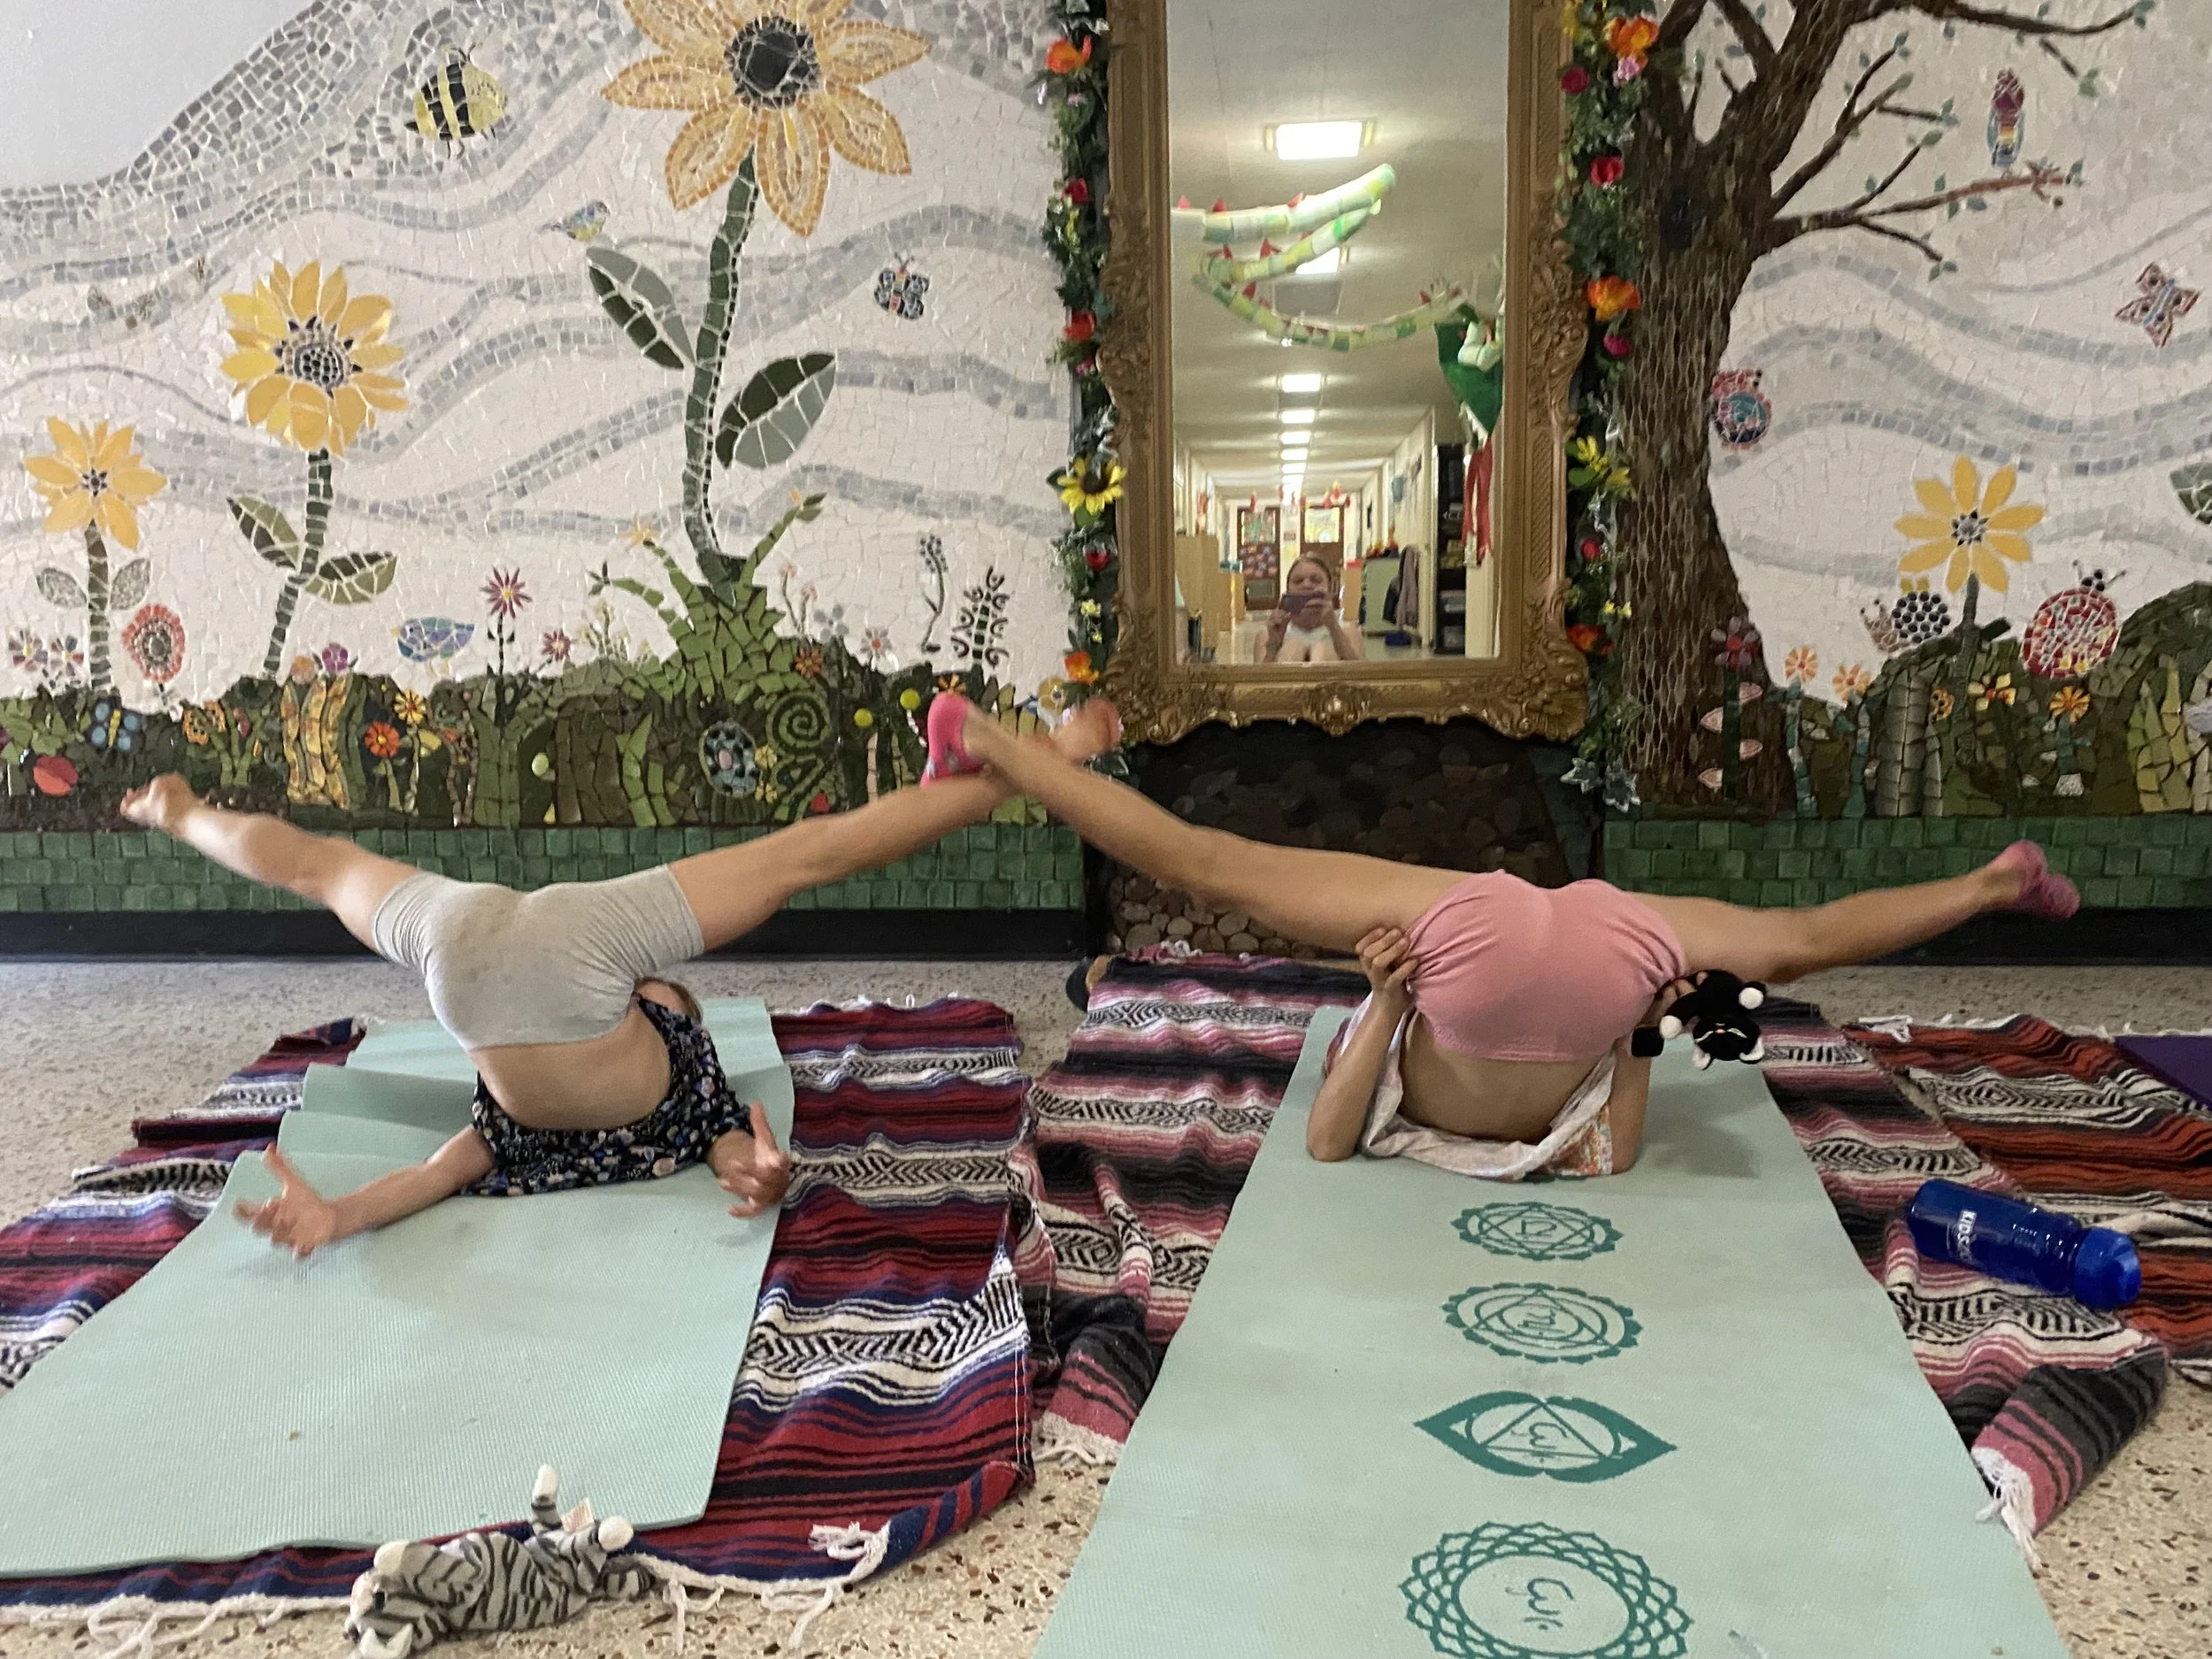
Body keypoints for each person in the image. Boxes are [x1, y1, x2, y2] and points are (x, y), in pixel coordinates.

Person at [920, 694, 2079, 1179]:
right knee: (1795, 942)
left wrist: (1646, 1021)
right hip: (1554, 960)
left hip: (1509, 964)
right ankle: (1991, 878)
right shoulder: (1439, 1125)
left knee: (1202, 861)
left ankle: (998, 740)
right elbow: (1340, 1133)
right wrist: (1644, 1019)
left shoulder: (1524, 1139)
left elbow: (1335, 1138)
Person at [119, 699, 1119, 1256]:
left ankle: (183, 812)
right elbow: (738, 1156)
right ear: (666, 1015)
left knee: (317, 864)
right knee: (806, 858)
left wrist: (336, 1216)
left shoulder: (510, 1134)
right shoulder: (690, 1096)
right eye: (670, 999)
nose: (670, 999)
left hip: (481, 941)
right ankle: (1045, 761)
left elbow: (425, 1180)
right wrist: (766, 1176)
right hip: (521, 955)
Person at [1261, 556, 1362, 664]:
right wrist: (1274, 644)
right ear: (1288, 590)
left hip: (1333, 680)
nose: (1307, 585)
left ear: (1329, 587)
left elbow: (1362, 675)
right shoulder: (1267, 634)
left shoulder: (1348, 631)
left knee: (1323, 650)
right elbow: (1258, 679)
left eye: (1316, 580)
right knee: (1293, 648)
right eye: (1298, 581)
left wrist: (1334, 628)